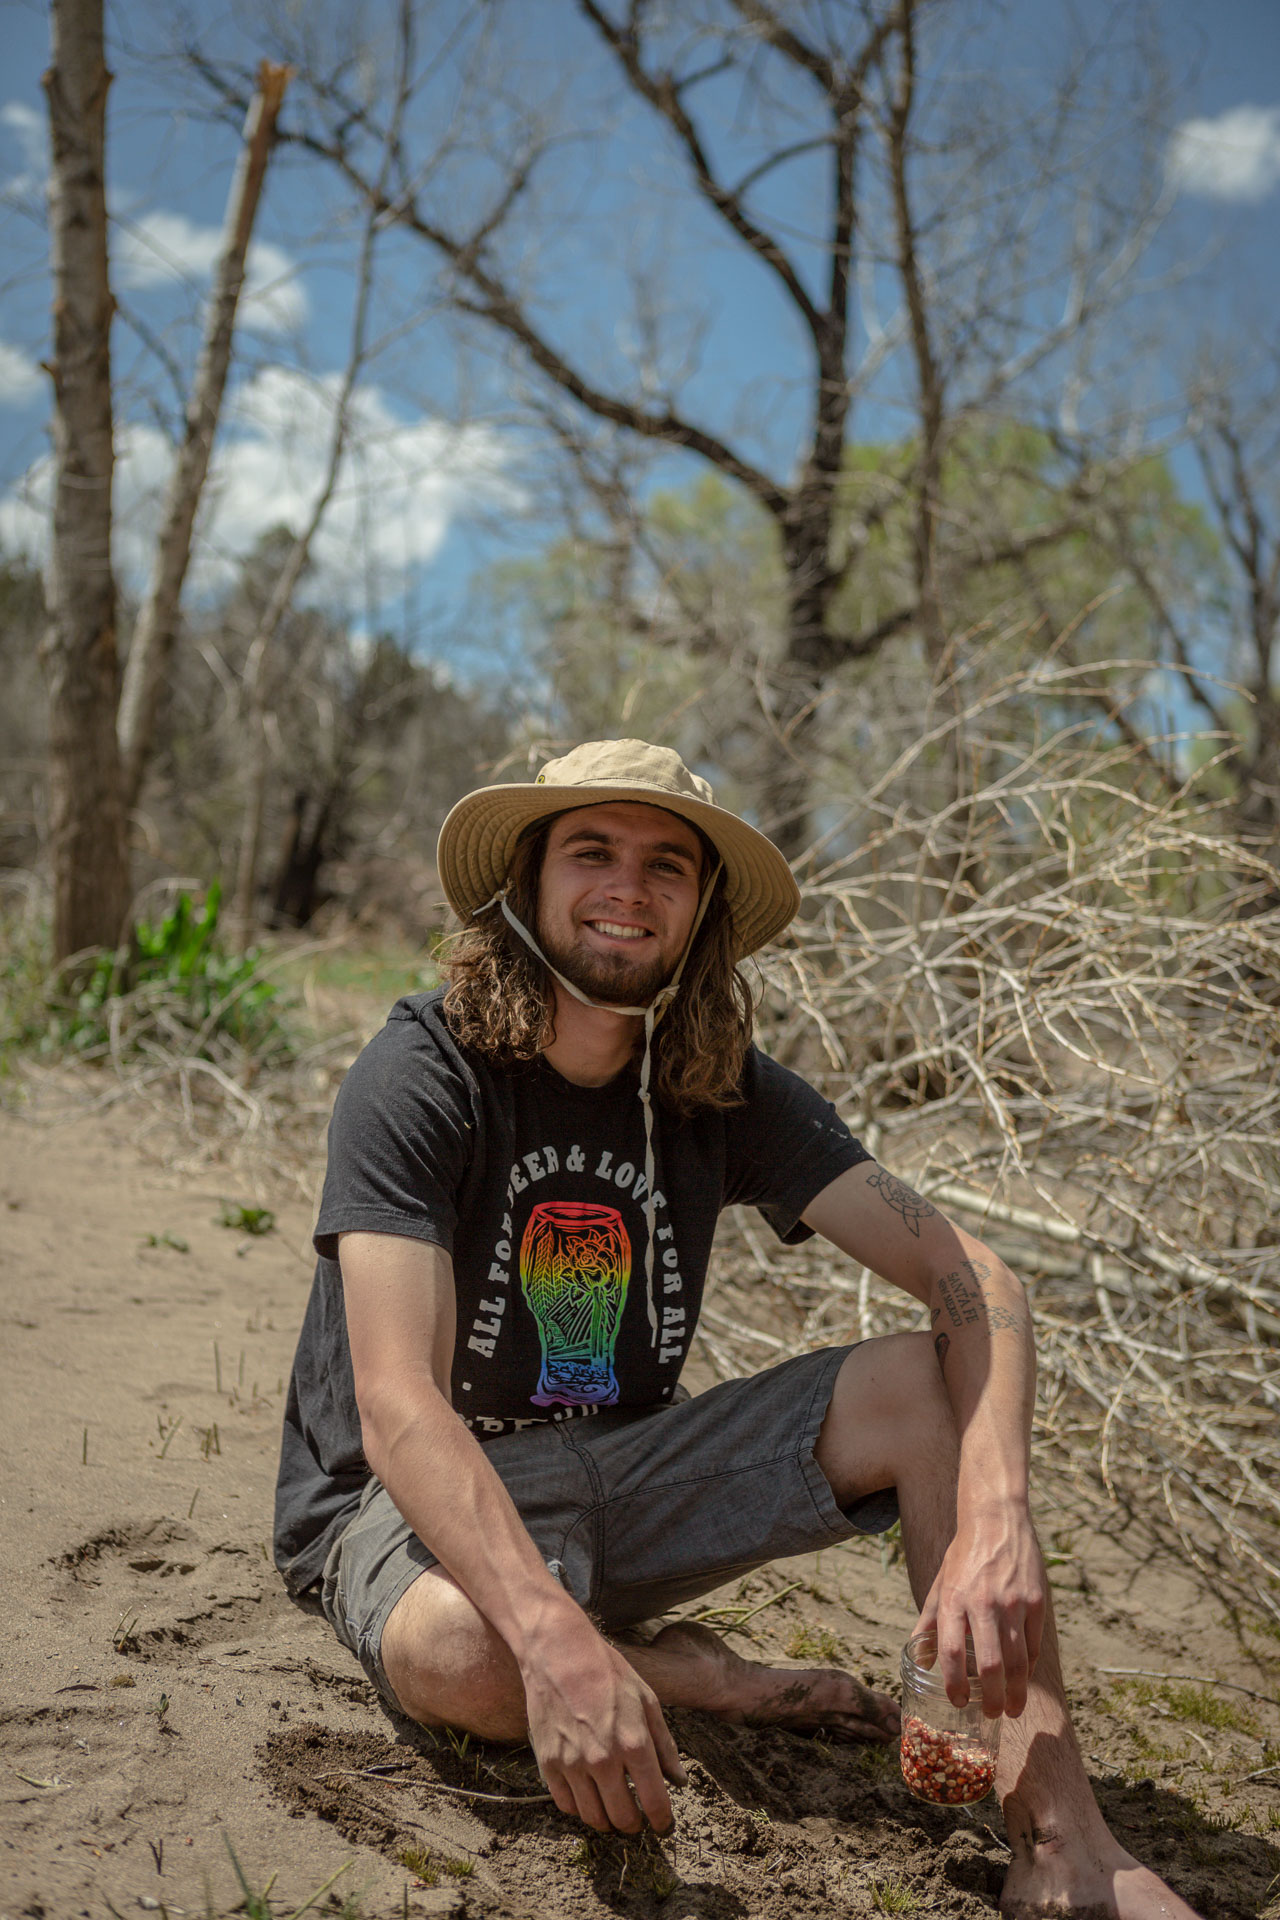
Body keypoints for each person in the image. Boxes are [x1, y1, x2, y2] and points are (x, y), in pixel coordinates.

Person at [275, 739, 1198, 1920]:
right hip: (395, 1505)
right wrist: (556, 1639)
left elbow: (974, 1277)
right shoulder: (423, 1071)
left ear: (702, 907)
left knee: (927, 1391)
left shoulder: (716, 1084)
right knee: (460, 1648)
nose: (628, 887)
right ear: (526, 878)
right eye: (592, 851)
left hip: (616, 1471)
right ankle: (689, 1677)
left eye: (668, 864)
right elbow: (398, 1406)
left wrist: (999, 1518)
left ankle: (1063, 1839)